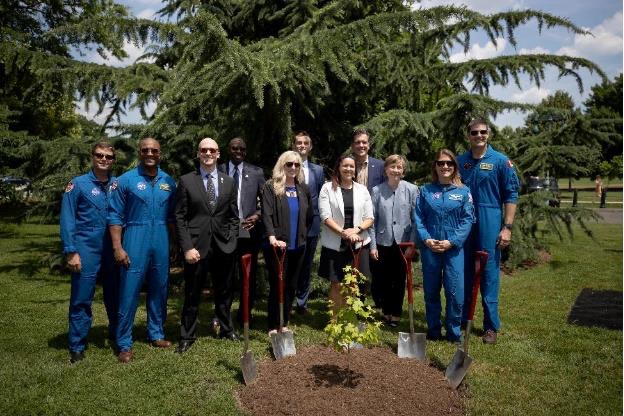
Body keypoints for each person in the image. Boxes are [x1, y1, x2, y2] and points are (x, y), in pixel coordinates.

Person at [108, 138, 177, 363]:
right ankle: (124, 343)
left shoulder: (168, 181)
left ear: (160, 154)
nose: (150, 153)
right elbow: (115, 217)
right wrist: (118, 247)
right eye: (145, 150)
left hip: (161, 238)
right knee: (129, 290)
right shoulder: (125, 180)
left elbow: (172, 217)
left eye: (154, 150)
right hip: (135, 237)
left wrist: (174, 243)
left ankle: (156, 333)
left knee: (160, 287)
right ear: (139, 152)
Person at [175, 138, 241, 353]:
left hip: (224, 247)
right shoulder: (186, 181)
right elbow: (180, 217)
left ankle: (226, 328)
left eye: (212, 150)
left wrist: (231, 239)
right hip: (197, 248)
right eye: (204, 150)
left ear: (218, 153)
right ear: (198, 153)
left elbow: (233, 216)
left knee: (224, 291)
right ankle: (187, 335)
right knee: (192, 293)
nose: (208, 153)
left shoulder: (228, 182)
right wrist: (187, 247)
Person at [457, 119, 519, 344]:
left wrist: (507, 227)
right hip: (463, 224)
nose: (479, 136)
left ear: (489, 134)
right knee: (462, 271)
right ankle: (463, 319)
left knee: (489, 273)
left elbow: (511, 195)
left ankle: (491, 326)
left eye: (483, 132)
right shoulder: (459, 161)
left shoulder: (501, 161)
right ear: (468, 136)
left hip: (489, 220)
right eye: (475, 132)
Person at [60, 141, 119, 363]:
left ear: (113, 160)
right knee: (82, 297)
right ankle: (77, 344)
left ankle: (116, 333)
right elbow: (67, 219)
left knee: (115, 294)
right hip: (86, 247)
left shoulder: (117, 185)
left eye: (108, 157)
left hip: (112, 248)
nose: (104, 159)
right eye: (99, 155)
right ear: (92, 156)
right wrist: (71, 251)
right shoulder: (78, 185)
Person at [414, 150, 474, 342]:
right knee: (431, 291)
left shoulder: (463, 192)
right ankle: (433, 330)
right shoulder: (425, 191)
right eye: (441, 163)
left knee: (455, 293)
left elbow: (468, 219)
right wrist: (426, 239)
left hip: (453, 250)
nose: (445, 166)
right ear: (435, 166)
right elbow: (418, 217)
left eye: (449, 163)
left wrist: (453, 241)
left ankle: (454, 333)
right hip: (430, 249)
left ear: (454, 167)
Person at [261, 151, 312, 334]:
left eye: (297, 165)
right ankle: (273, 324)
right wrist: (272, 237)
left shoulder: (302, 188)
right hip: (277, 246)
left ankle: (284, 322)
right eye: (289, 164)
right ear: (282, 165)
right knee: (277, 284)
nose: (293, 168)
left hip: (297, 246)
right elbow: (266, 213)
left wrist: (302, 235)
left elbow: (309, 216)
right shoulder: (271, 187)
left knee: (291, 285)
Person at [218, 137, 266, 327]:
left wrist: (258, 215)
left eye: (242, 149)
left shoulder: (256, 172)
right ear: (228, 150)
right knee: (225, 275)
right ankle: (223, 315)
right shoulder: (219, 170)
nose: (238, 151)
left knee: (248, 273)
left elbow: (266, 201)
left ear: (246, 152)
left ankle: (245, 314)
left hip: (249, 232)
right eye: (234, 148)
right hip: (225, 232)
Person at [318, 155, 374, 315]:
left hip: (359, 242)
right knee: (336, 283)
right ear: (339, 168)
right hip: (335, 242)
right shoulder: (327, 188)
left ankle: (352, 320)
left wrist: (355, 230)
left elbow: (370, 217)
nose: (348, 169)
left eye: (351, 166)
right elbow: (325, 216)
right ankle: (336, 321)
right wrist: (343, 233)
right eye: (345, 166)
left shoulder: (362, 190)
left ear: (355, 170)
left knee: (356, 283)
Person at [369, 155, 419, 327]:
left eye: (399, 167)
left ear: (403, 171)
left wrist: (412, 244)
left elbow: (415, 220)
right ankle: (386, 312)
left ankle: (396, 314)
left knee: (398, 280)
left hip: (403, 243)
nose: (396, 170)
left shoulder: (412, 190)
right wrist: (373, 245)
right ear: (386, 170)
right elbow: (371, 220)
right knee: (382, 279)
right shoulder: (377, 190)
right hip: (383, 241)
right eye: (392, 167)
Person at [351, 129, 386, 309]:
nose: (361, 145)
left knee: (376, 264)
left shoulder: (379, 166)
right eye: (357, 142)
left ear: (369, 145)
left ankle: (379, 302)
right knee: (356, 265)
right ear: (353, 145)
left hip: (375, 220)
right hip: (352, 221)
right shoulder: (347, 164)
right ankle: (356, 302)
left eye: (364, 142)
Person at [292, 131, 325, 315]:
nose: (302, 145)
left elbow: (321, 195)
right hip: (290, 223)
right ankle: (288, 299)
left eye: (305, 143)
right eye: (299, 142)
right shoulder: (286, 166)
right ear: (294, 145)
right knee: (291, 263)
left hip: (311, 224)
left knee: (306, 264)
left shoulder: (317, 171)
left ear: (310, 147)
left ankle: (302, 302)